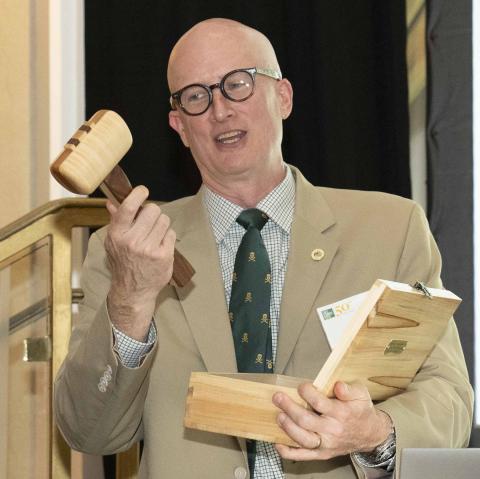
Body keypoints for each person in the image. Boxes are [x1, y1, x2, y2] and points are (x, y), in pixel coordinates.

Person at [54, 18, 473, 479]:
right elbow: (89, 432)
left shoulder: (390, 229)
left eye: (238, 84)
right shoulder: (124, 253)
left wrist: (376, 432)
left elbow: (447, 394)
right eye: (196, 96)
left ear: (284, 96)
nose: (220, 110)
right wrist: (131, 299)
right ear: (179, 126)